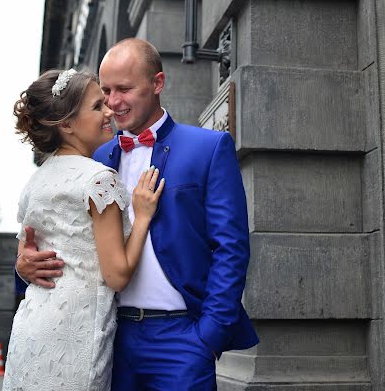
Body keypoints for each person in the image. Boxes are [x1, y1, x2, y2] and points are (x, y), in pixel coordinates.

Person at [16, 39, 259, 390]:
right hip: (109, 338)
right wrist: (23, 265)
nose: (113, 104)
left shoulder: (207, 149)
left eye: (124, 89)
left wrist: (208, 335)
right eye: (106, 92)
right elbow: (57, 232)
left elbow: (231, 247)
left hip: (184, 339)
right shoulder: (93, 160)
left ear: (157, 83)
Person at [5, 68, 164, 391]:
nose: (109, 112)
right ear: (66, 125)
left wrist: (24, 264)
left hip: (30, 331)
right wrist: (143, 215)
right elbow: (117, 276)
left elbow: (27, 250)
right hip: (77, 334)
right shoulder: (99, 179)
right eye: (96, 107)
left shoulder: (35, 182)